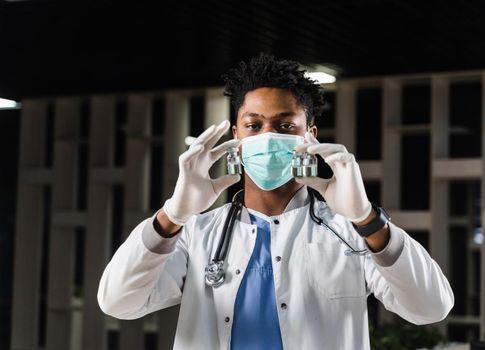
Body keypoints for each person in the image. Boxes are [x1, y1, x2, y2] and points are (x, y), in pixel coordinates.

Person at [98, 53, 454, 350]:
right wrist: (171, 216)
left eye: (285, 126)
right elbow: (118, 302)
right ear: (236, 135)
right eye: (254, 125)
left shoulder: (349, 232)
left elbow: (430, 307)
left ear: (309, 135)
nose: (268, 136)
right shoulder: (196, 232)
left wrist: (367, 220)